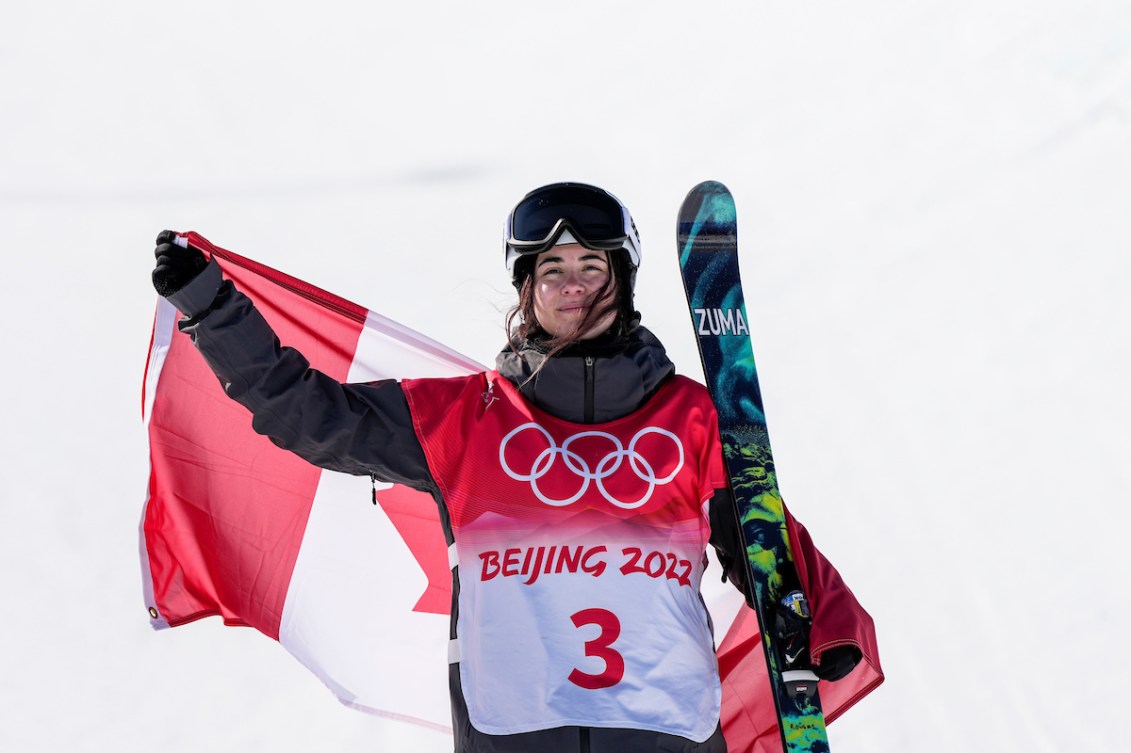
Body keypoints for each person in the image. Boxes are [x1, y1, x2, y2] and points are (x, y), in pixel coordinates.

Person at [151, 182, 863, 753]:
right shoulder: (461, 419)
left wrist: (824, 625)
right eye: (550, 269)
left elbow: (766, 537)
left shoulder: (691, 419)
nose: (572, 283)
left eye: (592, 265)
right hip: (516, 734)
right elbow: (307, 413)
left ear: (624, 279)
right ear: (526, 287)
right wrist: (214, 309)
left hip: (664, 730)